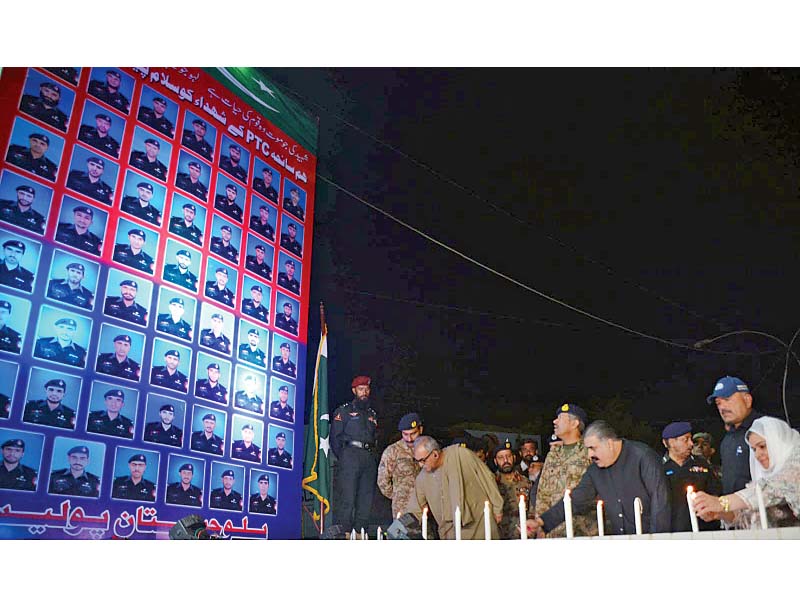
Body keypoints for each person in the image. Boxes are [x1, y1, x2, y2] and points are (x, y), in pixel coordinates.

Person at [527, 420, 671, 537]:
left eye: (592, 448)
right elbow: (576, 500)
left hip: (649, 538)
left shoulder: (643, 457)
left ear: (609, 443)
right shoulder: (595, 470)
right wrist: (541, 522)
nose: (589, 455)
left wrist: (657, 541)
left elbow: (661, 503)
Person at [694, 416, 800, 529]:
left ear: (778, 442)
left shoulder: (796, 464)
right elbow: (749, 515)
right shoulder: (763, 477)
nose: (758, 455)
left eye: (762, 446)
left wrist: (721, 503)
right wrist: (720, 513)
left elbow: (773, 489)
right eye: (754, 449)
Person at [413, 435, 503, 540]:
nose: (420, 465)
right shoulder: (422, 477)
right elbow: (416, 506)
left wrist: (498, 509)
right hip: (450, 532)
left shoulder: (461, 455)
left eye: (423, 460)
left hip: (479, 522)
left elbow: (487, 478)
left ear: (435, 454)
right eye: (417, 461)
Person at [535, 403, 596, 538]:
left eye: (560, 418)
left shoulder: (590, 452)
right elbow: (543, 493)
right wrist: (540, 524)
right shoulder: (553, 454)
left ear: (574, 423)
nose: (554, 421)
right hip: (554, 530)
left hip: (583, 531)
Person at [331, 375, 379, 533]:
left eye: (366, 389)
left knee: (366, 500)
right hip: (350, 456)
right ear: (354, 391)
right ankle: (344, 534)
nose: (364, 392)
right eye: (360, 389)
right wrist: (345, 458)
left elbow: (376, 439)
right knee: (348, 500)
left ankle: (361, 534)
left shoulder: (372, 414)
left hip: (368, 458)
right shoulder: (344, 411)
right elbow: (335, 439)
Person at [706, 375, 763, 495]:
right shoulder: (727, 440)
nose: (722, 407)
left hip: (766, 510)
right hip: (736, 511)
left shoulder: (765, 429)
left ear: (747, 400)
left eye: (727, 399)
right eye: (718, 403)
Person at [660, 421, 720, 532]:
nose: (691, 444)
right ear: (672, 442)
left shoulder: (702, 465)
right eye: (685, 439)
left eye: (690, 439)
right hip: (672, 531)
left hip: (705, 529)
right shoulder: (659, 468)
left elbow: (716, 493)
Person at [377, 412, 423, 517]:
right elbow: (382, 481)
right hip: (402, 508)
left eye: (413, 434)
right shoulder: (393, 451)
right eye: (405, 434)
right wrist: (398, 496)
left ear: (420, 430)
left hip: (425, 505)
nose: (409, 439)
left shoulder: (428, 447)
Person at [494, 439, 533, 539]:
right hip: (499, 535)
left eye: (508, 456)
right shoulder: (492, 483)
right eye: (501, 458)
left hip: (522, 534)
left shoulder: (526, 482)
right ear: (495, 461)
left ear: (514, 458)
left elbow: (532, 508)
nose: (506, 460)